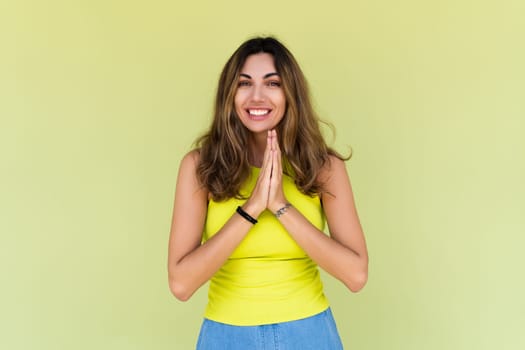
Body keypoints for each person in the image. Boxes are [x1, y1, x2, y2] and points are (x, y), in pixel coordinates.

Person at [168, 36, 368, 350]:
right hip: (227, 336)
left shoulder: (324, 168)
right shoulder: (200, 167)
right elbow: (181, 283)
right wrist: (251, 209)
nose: (257, 96)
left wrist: (280, 206)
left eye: (272, 83)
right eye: (244, 83)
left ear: (291, 94)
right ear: (229, 95)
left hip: (309, 333)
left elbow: (356, 275)